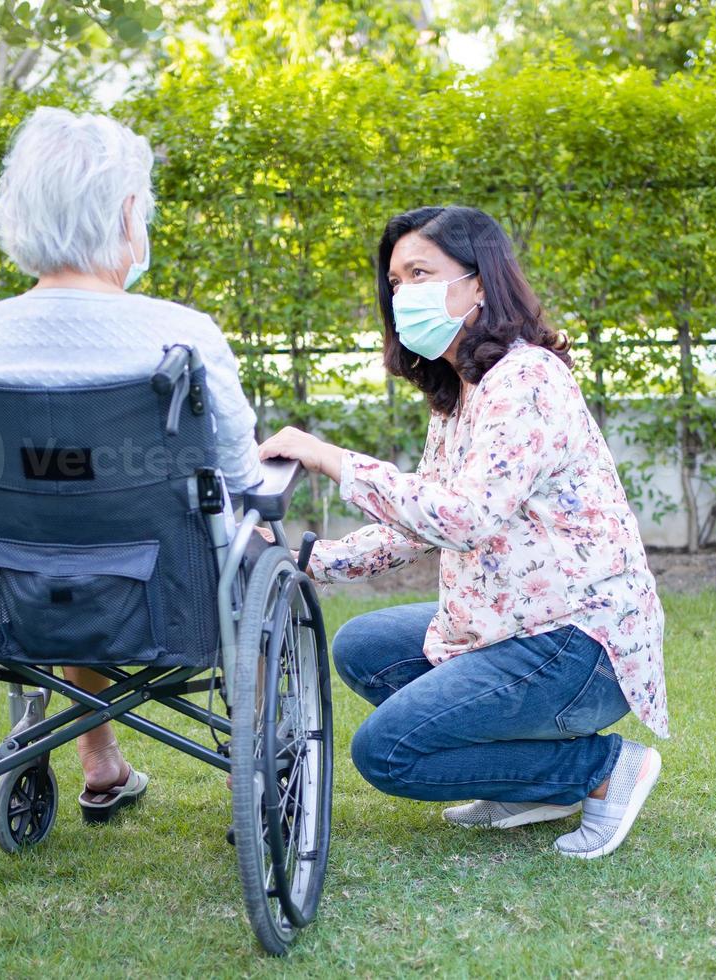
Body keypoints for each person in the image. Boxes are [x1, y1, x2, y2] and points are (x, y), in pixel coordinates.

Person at [258, 205, 668, 859]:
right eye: (394, 283)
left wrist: (330, 457)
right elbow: (421, 522)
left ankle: (599, 771)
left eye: (420, 273)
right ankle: (531, 786)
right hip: (514, 622)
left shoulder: (525, 380)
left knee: (385, 752)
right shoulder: (463, 388)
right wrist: (311, 559)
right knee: (364, 646)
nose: (402, 296)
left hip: (577, 645)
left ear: (479, 283)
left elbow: (464, 517)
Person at [0, 107, 264, 821]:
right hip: (172, 597)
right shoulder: (180, 335)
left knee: (60, 530)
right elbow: (241, 472)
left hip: (15, 591)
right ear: (126, 214)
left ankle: (99, 758)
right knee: (252, 544)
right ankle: (255, 759)